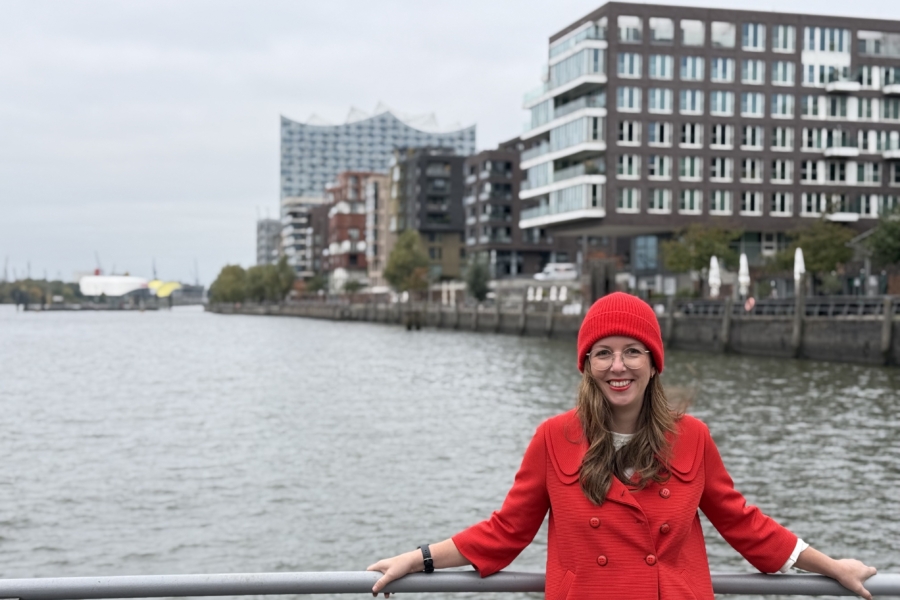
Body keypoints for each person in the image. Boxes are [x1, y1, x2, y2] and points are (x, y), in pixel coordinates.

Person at [368, 293, 877, 599]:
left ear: (654, 362)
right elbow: (505, 533)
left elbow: (744, 524)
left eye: (633, 352)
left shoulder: (690, 436)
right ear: (587, 364)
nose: (619, 366)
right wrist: (417, 560)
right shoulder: (554, 437)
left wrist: (831, 567)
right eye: (604, 353)